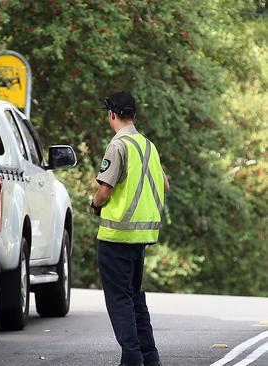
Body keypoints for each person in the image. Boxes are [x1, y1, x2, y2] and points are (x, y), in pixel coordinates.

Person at [90, 91, 169, 366]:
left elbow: (105, 189)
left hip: (117, 235)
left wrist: (95, 204)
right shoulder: (148, 146)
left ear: (112, 114)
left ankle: (132, 358)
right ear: (133, 114)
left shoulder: (119, 145)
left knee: (119, 300)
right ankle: (149, 356)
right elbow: (165, 185)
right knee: (135, 298)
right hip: (142, 236)